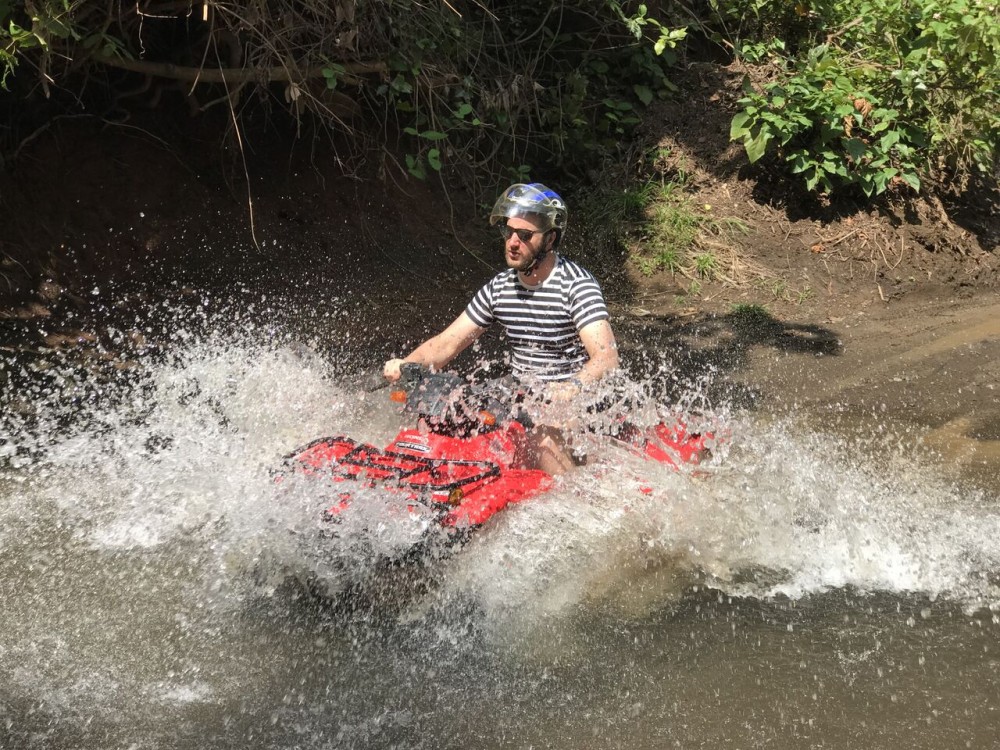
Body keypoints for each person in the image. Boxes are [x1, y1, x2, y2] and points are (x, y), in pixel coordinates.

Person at [383, 183, 619, 474]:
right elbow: (447, 344)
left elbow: (606, 358)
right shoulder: (500, 288)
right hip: (524, 397)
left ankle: (572, 504)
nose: (513, 242)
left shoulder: (577, 285)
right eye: (509, 232)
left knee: (541, 435)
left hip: (575, 404)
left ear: (549, 240)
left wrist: (571, 388)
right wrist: (407, 365)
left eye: (525, 235)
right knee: (443, 410)